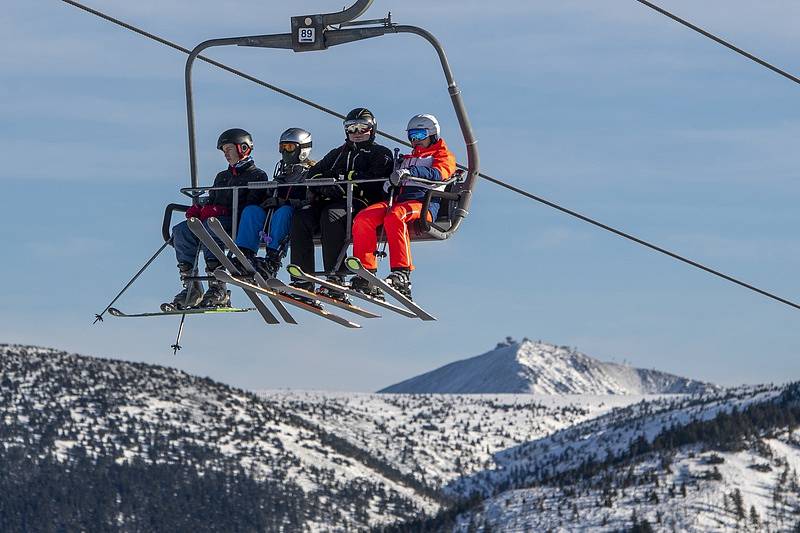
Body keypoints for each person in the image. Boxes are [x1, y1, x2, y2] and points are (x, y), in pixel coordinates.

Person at [289, 108, 393, 302]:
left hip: (360, 203)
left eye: (363, 128)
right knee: (301, 216)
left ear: (372, 129)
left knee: (332, 215)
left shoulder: (380, 153)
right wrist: (328, 186)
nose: (357, 133)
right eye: (352, 128)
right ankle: (302, 277)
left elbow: (375, 181)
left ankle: (335, 275)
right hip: (331, 199)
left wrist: (345, 181)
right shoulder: (338, 153)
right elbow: (313, 175)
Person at [350, 113, 456, 300]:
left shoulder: (442, 155)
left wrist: (409, 172)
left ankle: (402, 272)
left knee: (395, 216)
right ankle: (366, 271)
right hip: (398, 201)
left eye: (420, 135)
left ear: (432, 134)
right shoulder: (406, 158)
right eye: (411, 136)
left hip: (423, 205)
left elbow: (439, 173)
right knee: (363, 218)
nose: (415, 140)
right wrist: (389, 183)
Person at [168, 128, 268, 309]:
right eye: (224, 151)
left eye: (229, 149)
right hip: (213, 222)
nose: (226, 154)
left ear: (243, 148)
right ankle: (192, 285)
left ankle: (218, 286)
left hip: (235, 224)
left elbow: (253, 205)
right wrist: (200, 209)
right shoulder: (222, 177)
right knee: (181, 231)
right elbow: (212, 200)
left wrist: (218, 211)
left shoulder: (257, 175)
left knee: (209, 228)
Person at [232, 128, 313, 279]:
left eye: (289, 147)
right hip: (274, 214)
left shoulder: (310, 174)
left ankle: (272, 259)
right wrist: (267, 199)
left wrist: (285, 202)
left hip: (294, 215)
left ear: (303, 149)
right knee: (252, 211)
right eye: (282, 147)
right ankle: (244, 254)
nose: (284, 152)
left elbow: (311, 200)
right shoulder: (282, 174)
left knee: (284, 212)